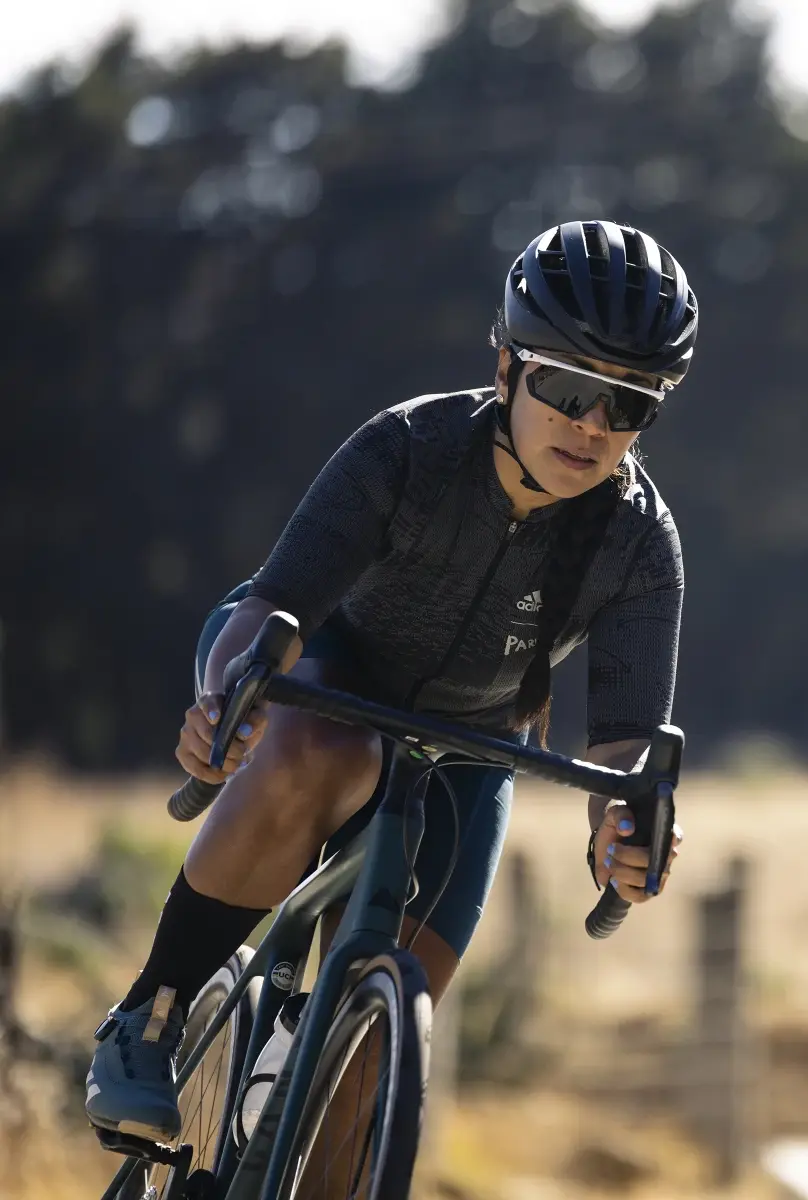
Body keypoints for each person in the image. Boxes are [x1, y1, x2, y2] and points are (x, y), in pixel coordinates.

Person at [84, 219, 698, 1147]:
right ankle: (151, 1017)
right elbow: (272, 604)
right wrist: (224, 702)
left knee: (371, 1076)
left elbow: (622, 750)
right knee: (318, 751)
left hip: (467, 742)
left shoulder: (641, 545)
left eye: (629, 406)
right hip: (318, 675)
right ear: (504, 368)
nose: (592, 427)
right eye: (568, 388)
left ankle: (297, 1072)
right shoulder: (409, 448)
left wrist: (624, 832)